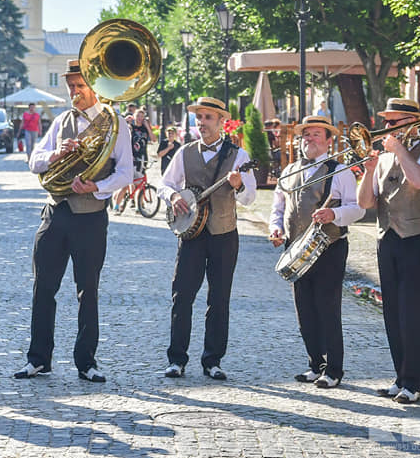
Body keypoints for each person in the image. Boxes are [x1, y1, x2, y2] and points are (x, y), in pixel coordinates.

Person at [14, 59, 133, 383]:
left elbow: (126, 171)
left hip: (90, 217)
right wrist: (55, 155)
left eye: (80, 86)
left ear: (95, 88)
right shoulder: (62, 121)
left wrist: (98, 186)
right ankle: (38, 359)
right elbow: (34, 161)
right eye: (71, 87)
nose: (74, 92)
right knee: (43, 289)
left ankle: (87, 363)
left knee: (88, 291)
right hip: (56, 212)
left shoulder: (115, 123)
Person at [157, 97, 257, 381]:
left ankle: (213, 360)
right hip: (191, 234)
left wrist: (238, 186)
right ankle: (176, 359)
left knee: (219, 298)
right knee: (182, 296)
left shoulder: (240, 156)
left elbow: (250, 198)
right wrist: (174, 196)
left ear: (221, 121)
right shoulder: (185, 153)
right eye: (198, 117)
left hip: (223, 234)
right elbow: (165, 184)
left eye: (207, 117)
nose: (201, 122)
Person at [357, 98, 420, 404]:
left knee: (413, 314)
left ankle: (413, 383)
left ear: (410, 123)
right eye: (388, 122)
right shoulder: (383, 158)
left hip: (417, 240)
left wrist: (400, 151)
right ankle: (399, 378)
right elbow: (366, 203)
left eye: (393, 122)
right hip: (387, 239)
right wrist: (369, 171)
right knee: (392, 313)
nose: (387, 128)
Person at [269, 116, 364, 389]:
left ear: (328, 141)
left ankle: (334, 369)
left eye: (316, 135)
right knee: (304, 310)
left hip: (330, 247)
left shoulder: (341, 171)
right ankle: (315, 364)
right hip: (296, 248)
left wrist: (334, 213)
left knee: (328, 308)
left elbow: (357, 208)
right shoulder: (289, 170)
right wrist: (276, 229)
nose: (309, 140)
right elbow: (278, 207)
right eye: (305, 135)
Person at [113, 109, 157, 212]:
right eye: (138, 116)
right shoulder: (131, 127)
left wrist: (148, 127)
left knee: (141, 185)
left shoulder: (145, 129)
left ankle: (139, 207)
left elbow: (154, 139)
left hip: (142, 160)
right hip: (131, 158)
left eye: (142, 116)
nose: (140, 118)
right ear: (134, 117)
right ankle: (117, 206)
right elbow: (120, 132)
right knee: (125, 184)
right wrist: (125, 121)